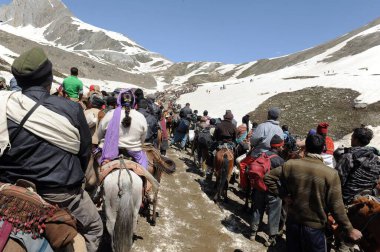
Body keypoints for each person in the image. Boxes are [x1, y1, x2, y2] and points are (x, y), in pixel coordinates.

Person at [0, 47, 103, 252]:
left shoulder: (4, 104)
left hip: (6, 187)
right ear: (50, 79)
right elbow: (84, 155)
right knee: (94, 227)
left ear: (18, 81)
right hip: (59, 195)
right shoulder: (71, 109)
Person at [264, 134, 362, 252]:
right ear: (322, 149)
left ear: (306, 147)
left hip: (293, 222)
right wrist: (349, 229)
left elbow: (268, 178)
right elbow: (336, 206)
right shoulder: (330, 174)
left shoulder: (290, 164)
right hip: (315, 228)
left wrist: (284, 195)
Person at [98, 89, 149, 169]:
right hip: (134, 152)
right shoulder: (140, 116)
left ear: (119, 101)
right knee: (145, 170)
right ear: (133, 102)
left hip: (109, 153)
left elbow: (100, 134)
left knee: (93, 171)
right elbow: (143, 138)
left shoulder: (110, 114)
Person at [249, 135, 285, 246]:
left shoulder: (261, 155)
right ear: (279, 147)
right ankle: (270, 238)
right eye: (281, 146)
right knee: (274, 213)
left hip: (259, 188)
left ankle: (253, 233)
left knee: (257, 209)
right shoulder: (280, 161)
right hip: (273, 192)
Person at [335, 127, 380, 204]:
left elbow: (337, 180)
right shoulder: (376, 159)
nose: (351, 139)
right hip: (367, 196)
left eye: (352, 137)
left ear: (356, 140)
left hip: (347, 198)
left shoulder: (348, 156)